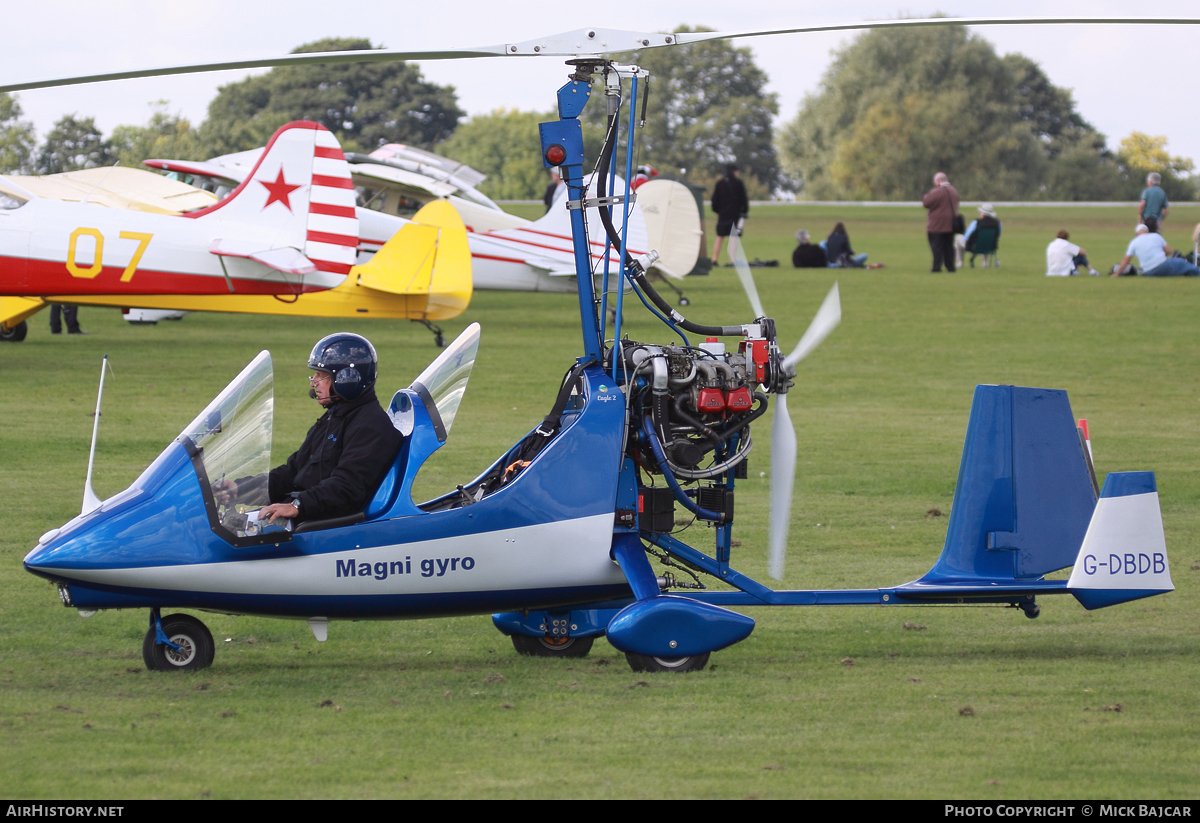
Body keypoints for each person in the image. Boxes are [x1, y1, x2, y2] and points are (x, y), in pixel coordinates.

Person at [217, 333, 404, 526]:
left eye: (322, 376)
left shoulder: (371, 427)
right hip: (309, 515)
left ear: (348, 379)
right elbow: (293, 472)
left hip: (326, 526)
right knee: (225, 527)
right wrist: (239, 489)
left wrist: (298, 506)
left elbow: (347, 488)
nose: (313, 381)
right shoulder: (336, 416)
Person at [1112, 223, 1200, 277]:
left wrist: (1117, 273)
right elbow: (1169, 251)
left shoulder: (1133, 242)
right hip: (1161, 265)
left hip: (1148, 272)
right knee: (1181, 262)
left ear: (1136, 233)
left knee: (1174, 268)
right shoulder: (1155, 236)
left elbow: (1126, 260)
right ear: (1147, 231)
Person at [710, 164, 749, 265]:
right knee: (733, 237)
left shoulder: (720, 184)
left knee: (719, 237)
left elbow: (714, 200)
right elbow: (743, 199)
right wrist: (744, 211)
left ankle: (714, 260)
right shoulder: (738, 183)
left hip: (722, 214)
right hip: (734, 214)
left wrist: (717, 211)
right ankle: (732, 260)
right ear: (734, 172)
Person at [922, 172, 960, 272]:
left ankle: (936, 267)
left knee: (937, 248)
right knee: (948, 247)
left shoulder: (937, 191)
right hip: (951, 224)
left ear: (938, 181)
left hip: (937, 225)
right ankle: (950, 267)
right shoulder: (953, 190)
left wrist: (926, 196)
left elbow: (926, 203)